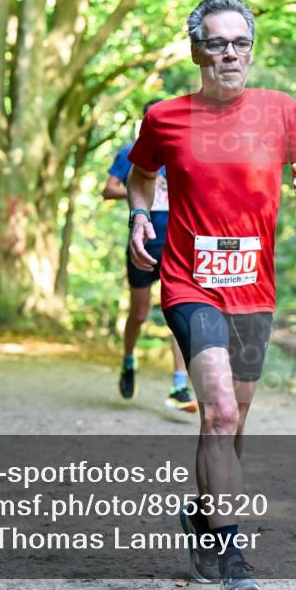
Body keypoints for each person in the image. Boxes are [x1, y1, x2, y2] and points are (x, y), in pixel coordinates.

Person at [126, 0, 296, 590]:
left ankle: (203, 520)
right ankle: (236, 563)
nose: (229, 54)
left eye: (240, 42)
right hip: (189, 282)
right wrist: (139, 219)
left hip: (254, 289)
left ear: (251, 49)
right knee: (216, 411)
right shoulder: (165, 117)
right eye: (216, 43)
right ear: (196, 51)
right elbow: (141, 175)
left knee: (233, 422)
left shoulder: (280, 111)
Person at [101, 100, 196, 413]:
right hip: (144, 242)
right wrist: (143, 187)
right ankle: (129, 361)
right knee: (139, 314)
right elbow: (108, 189)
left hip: (178, 242)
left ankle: (180, 384)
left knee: (178, 315)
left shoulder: (183, 149)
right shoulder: (132, 151)